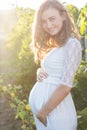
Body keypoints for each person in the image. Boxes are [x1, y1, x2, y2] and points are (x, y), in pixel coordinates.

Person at [29, 0, 82, 130]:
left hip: (56, 114)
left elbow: (65, 86)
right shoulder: (56, 42)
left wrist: (43, 112)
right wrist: (40, 71)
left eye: (52, 19)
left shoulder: (72, 44)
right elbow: (53, 69)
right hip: (47, 115)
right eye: (44, 21)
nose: (48, 25)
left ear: (63, 16)